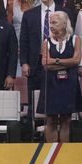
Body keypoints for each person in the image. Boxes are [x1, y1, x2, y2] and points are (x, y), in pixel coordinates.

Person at [36, 10, 80, 142]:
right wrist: (67, 63)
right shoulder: (46, 42)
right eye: (50, 22)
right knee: (51, 120)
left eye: (54, 22)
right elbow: (46, 64)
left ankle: (63, 153)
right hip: (51, 84)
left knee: (66, 120)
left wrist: (55, 61)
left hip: (69, 84)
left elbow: (77, 60)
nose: (51, 25)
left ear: (64, 23)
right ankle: (51, 152)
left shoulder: (75, 39)